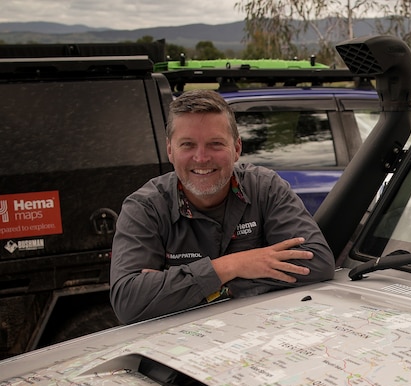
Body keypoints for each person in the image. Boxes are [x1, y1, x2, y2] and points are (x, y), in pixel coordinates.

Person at [110, 89, 335, 324]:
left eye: (215, 144)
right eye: (187, 145)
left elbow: (317, 262)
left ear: (237, 148)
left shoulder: (265, 188)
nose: (201, 157)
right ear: (170, 150)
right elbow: (129, 301)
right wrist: (234, 265)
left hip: (260, 333)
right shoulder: (145, 207)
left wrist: (179, 289)